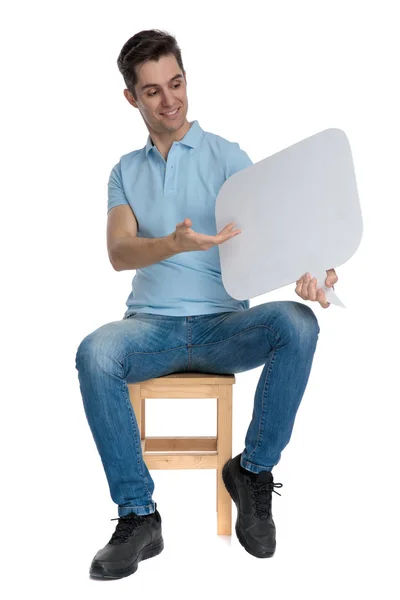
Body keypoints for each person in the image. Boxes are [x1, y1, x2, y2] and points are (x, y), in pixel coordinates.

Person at [75, 29, 338, 580]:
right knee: (95, 352)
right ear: (131, 98)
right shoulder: (125, 171)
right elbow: (119, 252)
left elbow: (275, 238)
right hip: (150, 329)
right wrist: (172, 242)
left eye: (176, 83)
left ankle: (252, 472)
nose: (169, 101)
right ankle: (139, 517)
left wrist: (314, 274)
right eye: (152, 92)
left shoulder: (228, 156)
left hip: (224, 327)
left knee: (298, 322)